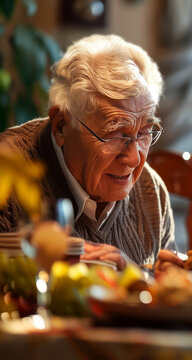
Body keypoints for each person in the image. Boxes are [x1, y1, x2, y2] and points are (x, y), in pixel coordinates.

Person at [0, 34, 176, 270]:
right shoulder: (7, 173)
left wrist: (134, 274)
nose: (135, 159)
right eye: (115, 134)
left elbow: (170, 290)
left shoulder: (150, 194)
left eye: (145, 132)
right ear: (61, 126)